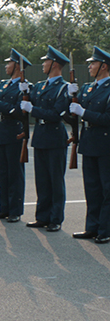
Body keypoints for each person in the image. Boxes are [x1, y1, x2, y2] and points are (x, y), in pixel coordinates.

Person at [23, 46, 71, 232]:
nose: (43, 64)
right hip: (41, 137)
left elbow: (55, 114)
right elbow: (30, 101)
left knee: (55, 180)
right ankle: (42, 216)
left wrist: (32, 109)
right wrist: (24, 90)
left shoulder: (63, 88)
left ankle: (56, 218)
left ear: (55, 64)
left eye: (46, 61)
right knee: (42, 180)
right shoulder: (40, 85)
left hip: (55, 136)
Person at [71, 47, 110, 243]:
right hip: (89, 143)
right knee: (92, 188)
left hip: (105, 145)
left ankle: (106, 229)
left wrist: (83, 112)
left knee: (106, 189)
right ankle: (92, 227)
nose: (89, 66)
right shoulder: (88, 87)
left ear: (104, 66)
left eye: (93, 63)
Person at [0, 50, 31, 223]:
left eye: (9, 63)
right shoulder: (4, 84)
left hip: (15, 132)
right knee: (3, 173)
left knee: (15, 174)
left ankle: (15, 210)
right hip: (2, 131)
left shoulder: (24, 86)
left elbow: (19, 112)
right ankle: (4, 208)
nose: (6, 66)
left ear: (17, 66)